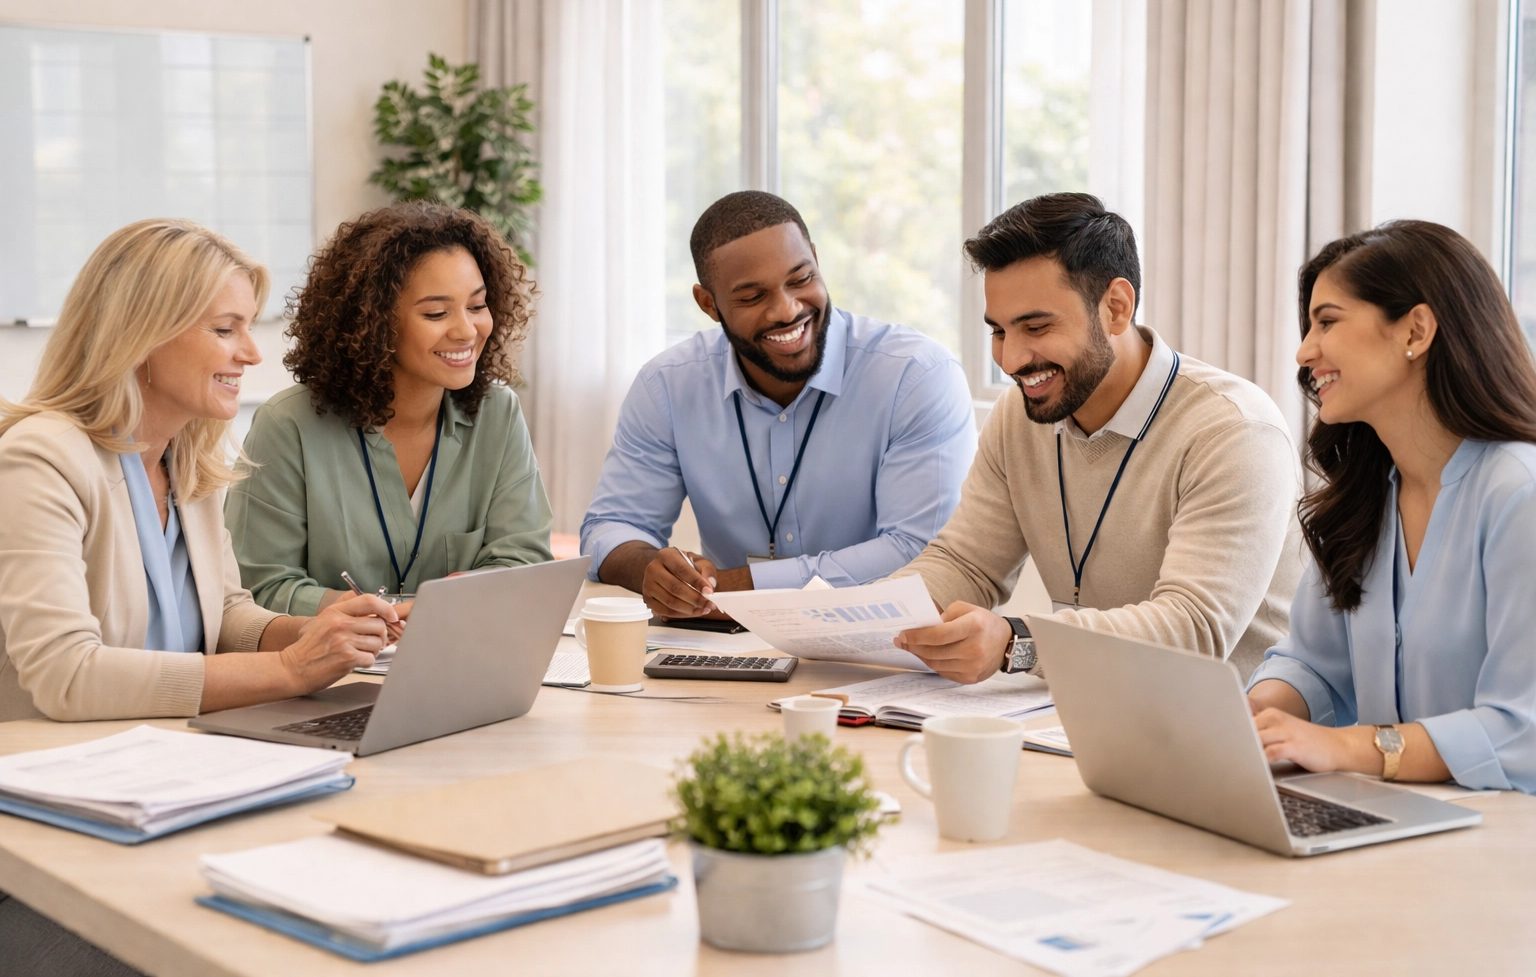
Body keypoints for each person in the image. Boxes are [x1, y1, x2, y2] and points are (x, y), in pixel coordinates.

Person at [0, 219, 401, 724]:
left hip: (173, 751)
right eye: (223, 329)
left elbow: (226, 614)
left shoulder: (184, 458)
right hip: (61, 769)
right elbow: (67, 676)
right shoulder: (40, 460)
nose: (252, 353)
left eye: (249, 328)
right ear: (141, 334)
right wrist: (291, 669)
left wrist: (315, 633)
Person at [893, 193, 1301, 683]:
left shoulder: (1233, 431)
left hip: (1229, 731)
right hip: (1078, 711)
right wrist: (872, 616)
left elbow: (1193, 629)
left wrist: (1017, 641)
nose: (1012, 359)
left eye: (1037, 326)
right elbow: (966, 563)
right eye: (999, 331)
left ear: (1115, 308)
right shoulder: (1020, 416)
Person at [580, 190, 976, 619]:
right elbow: (608, 527)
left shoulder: (915, 376)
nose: (787, 311)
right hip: (729, 649)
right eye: (752, 297)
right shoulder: (668, 385)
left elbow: (920, 552)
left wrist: (737, 589)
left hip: (880, 649)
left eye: (800, 279)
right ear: (708, 304)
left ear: (817, 261)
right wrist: (651, 571)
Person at [1247, 221, 1536, 793]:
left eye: (1327, 321)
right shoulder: (1367, 496)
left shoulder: (1519, 495)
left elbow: (1522, 731)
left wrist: (1348, 746)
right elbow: (1312, 663)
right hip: (1398, 819)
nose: (1305, 353)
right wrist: (1252, 722)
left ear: (1416, 330)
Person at [226, 202, 552, 615]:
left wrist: (462, 594)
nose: (467, 330)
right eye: (436, 312)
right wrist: (362, 610)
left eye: (477, 305)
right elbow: (259, 587)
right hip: (331, 672)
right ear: (375, 322)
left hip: (460, 660)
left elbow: (524, 561)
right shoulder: (289, 425)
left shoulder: (498, 414)